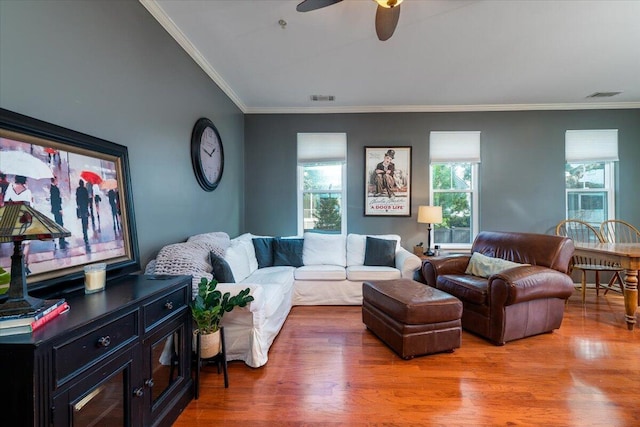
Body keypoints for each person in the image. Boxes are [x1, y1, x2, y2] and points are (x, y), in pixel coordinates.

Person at [50, 176, 66, 249]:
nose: (58, 182)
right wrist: (60, 209)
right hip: (57, 209)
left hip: (55, 209)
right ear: (54, 181)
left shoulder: (53, 188)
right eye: (57, 180)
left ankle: (61, 239)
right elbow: (56, 200)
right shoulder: (55, 189)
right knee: (60, 223)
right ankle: (61, 240)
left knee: (59, 223)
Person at [76, 179, 90, 245]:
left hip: (81, 207)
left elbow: (77, 198)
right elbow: (87, 198)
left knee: (83, 220)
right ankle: (86, 229)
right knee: (85, 219)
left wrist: (78, 205)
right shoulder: (85, 189)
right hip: (85, 207)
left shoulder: (78, 190)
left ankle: (84, 234)